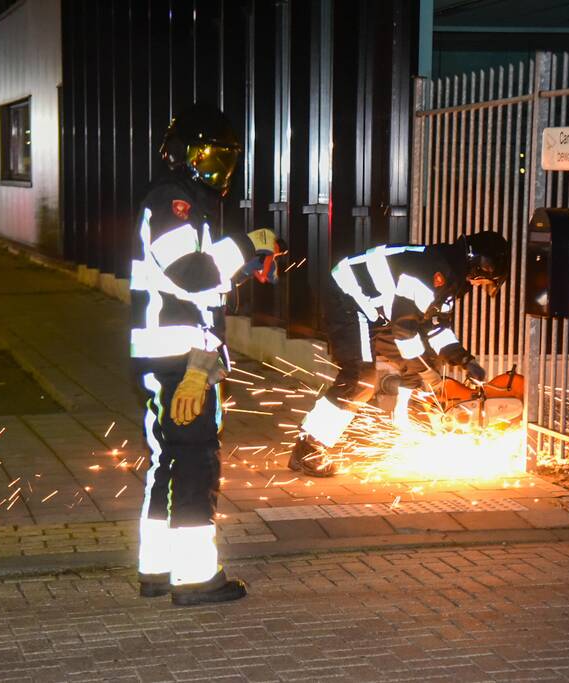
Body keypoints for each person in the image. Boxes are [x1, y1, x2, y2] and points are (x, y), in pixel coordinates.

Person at [131, 104, 284, 605]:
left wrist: (242, 264)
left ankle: (157, 568)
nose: (217, 171)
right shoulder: (171, 202)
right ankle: (195, 576)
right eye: (208, 158)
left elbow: (204, 283)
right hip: (181, 357)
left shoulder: (182, 204)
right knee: (195, 461)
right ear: (181, 154)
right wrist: (244, 245)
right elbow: (192, 274)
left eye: (223, 161)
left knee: (167, 461)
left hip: (173, 353)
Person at [289, 232, 511, 477]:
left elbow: (436, 327)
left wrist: (464, 359)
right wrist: (427, 372)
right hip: (348, 298)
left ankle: (405, 427)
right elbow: (405, 332)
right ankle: (308, 447)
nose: (481, 286)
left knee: (419, 363)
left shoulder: (447, 279)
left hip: (379, 311)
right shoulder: (430, 274)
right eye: (485, 281)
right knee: (361, 378)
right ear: (480, 266)